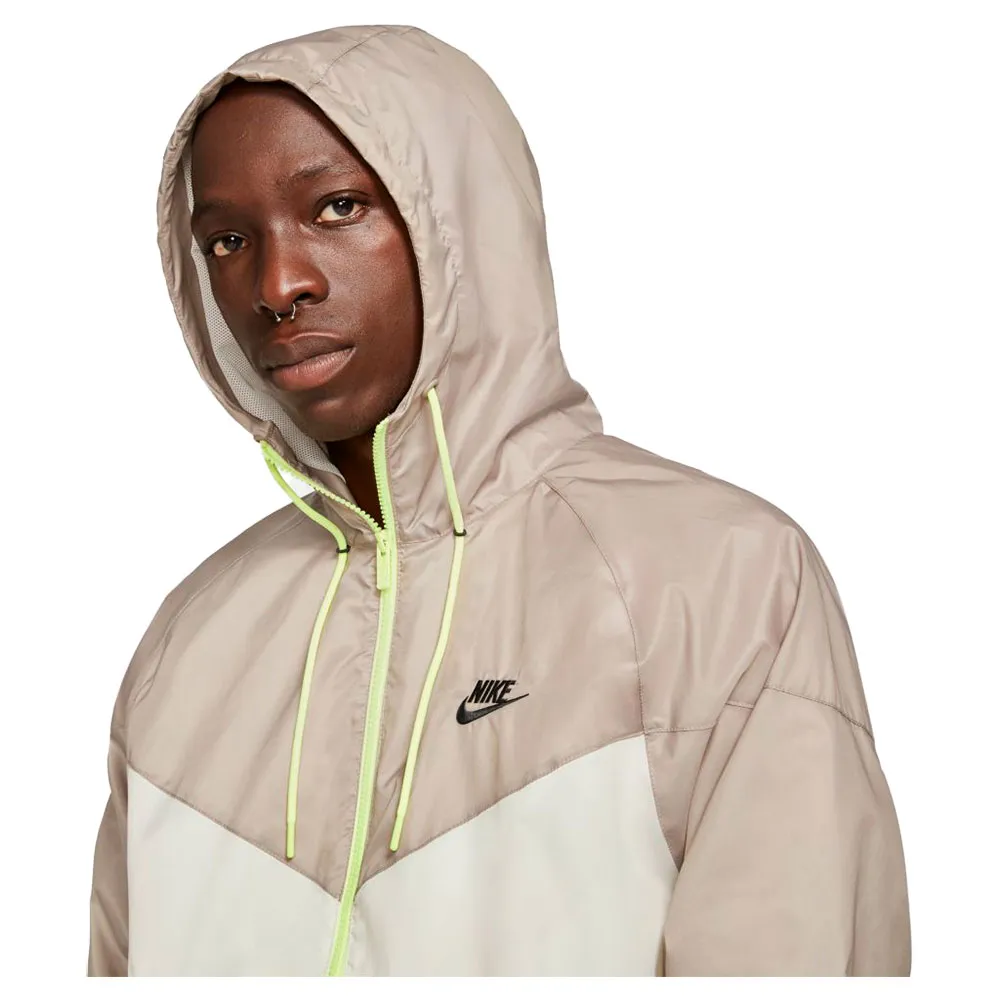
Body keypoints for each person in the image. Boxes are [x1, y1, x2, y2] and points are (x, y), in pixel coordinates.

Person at [87, 24, 911, 976]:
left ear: (461, 224)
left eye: (339, 207)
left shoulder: (715, 578)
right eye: (229, 240)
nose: (278, 285)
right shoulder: (188, 644)